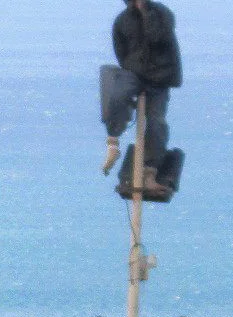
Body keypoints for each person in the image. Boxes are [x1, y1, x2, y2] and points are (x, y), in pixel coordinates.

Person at [101, 0, 182, 199]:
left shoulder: (161, 13)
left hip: (160, 79)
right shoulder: (122, 21)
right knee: (116, 91)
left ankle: (149, 172)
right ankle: (113, 140)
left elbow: (158, 36)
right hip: (136, 74)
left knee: (157, 123)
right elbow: (120, 51)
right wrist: (133, 67)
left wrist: (145, 12)